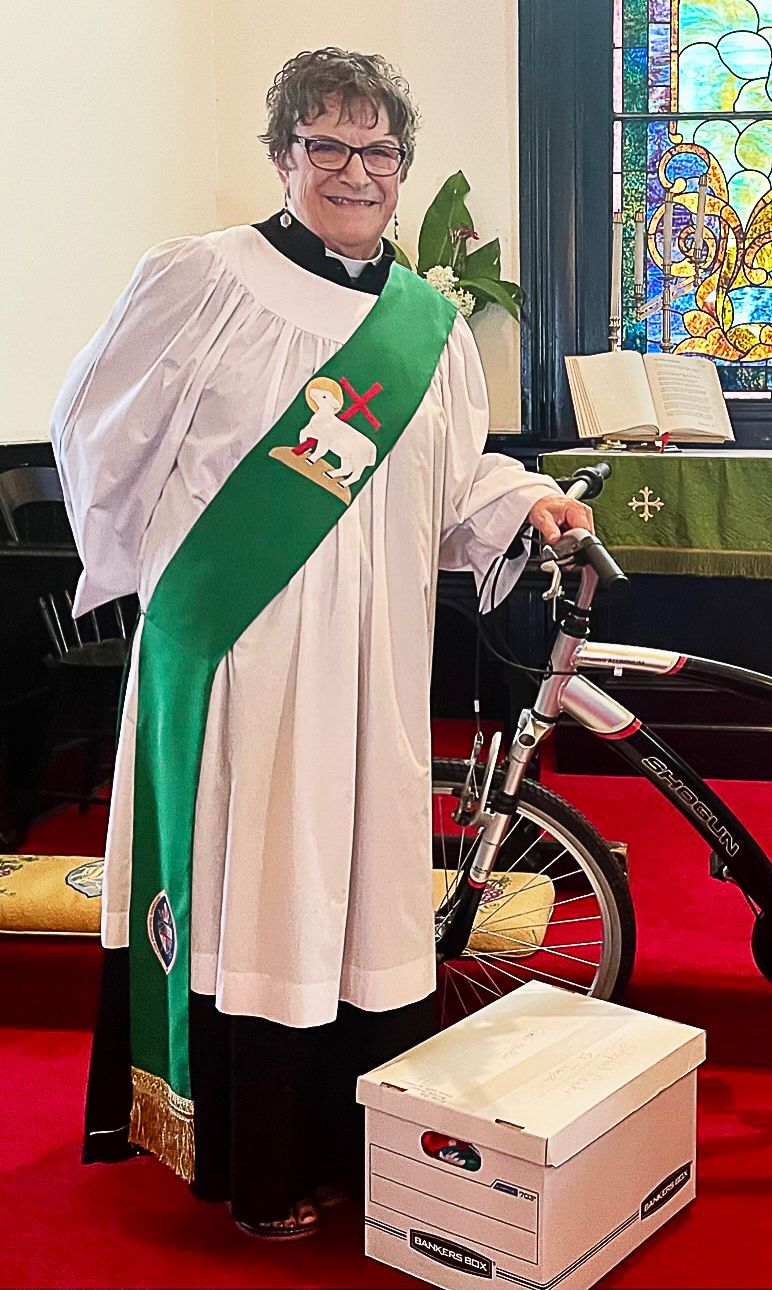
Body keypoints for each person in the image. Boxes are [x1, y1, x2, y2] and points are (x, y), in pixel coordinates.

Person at [55, 48, 589, 1240]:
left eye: (379, 151)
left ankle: (350, 1147)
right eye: (328, 146)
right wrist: (175, 586)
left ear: (405, 168)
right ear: (283, 154)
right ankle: (248, 1155)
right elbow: (98, 432)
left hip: (376, 673)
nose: (357, 172)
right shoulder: (203, 280)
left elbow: (452, 486)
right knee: (254, 889)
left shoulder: (431, 329)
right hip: (239, 653)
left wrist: (522, 501)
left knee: (352, 893)